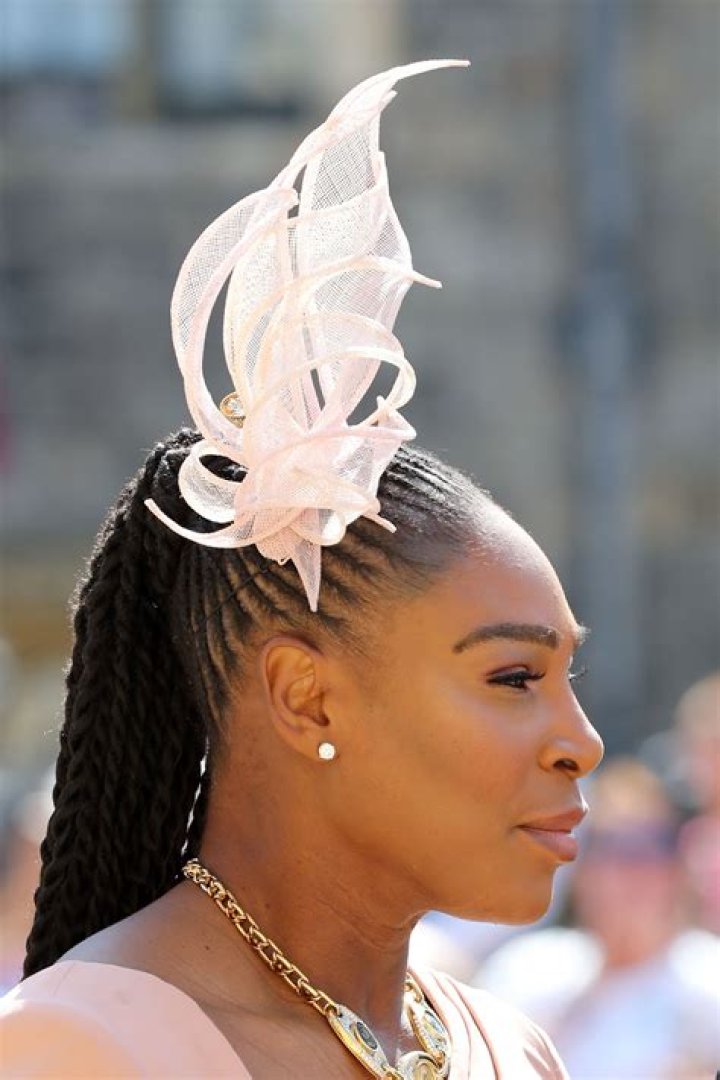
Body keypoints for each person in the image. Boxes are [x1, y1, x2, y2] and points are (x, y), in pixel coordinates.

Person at [0, 61, 604, 1079]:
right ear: (306, 696)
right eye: (513, 677)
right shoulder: (85, 1048)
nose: (581, 744)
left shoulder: (511, 1048)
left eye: (567, 676)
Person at [477, 758, 720, 1079]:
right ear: (580, 871)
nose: (635, 868)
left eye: (656, 844)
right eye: (613, 846)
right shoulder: (529, 970)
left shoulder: (709, 980)